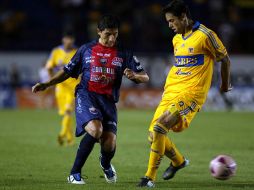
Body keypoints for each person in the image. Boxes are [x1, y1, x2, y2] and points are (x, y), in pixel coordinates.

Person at [32, 15, 149, 185]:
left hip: (108, 101)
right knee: (95, 130)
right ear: (99, 32)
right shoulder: (86, 50)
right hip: (87, 95)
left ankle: (105, 163)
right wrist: (47, 84)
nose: (112, 38)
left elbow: (145, 77)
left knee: (109, 143)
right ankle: (74, 173)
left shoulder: (123, 52)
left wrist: (135, 76)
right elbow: (67, 71)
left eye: (115, 34)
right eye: (108, 34)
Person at [137, 0, 231, 187]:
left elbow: (225, 59)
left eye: (172, 21)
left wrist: (224, 84)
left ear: (183, 17)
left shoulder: (206, 35)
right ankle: (179, 162)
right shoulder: (177, 39)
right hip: (171, 91)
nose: (170, 26)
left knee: (160, 127)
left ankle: (149, 178)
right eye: (168, 22)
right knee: (153, 136)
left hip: (192, 93)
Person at [45, 31, 79, 146]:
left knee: (68, 111)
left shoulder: (77, 52)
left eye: (71, 39)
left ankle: (62, 134)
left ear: (73, 40)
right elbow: (49, 67)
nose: (69, 41)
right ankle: (70, 139)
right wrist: (51, 81)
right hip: (60, 87)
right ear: (63, 39)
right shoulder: (56, 52)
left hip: (73, 86)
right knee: (65, 113)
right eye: (67, 38)